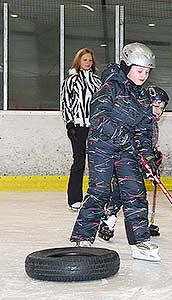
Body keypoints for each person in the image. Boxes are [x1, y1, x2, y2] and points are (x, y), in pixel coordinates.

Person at [70, 42, 161, 262]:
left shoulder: (143, 97)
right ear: (127, 66)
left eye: (147, 72)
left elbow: (143, 130)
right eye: (140, 71)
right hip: (102, 146)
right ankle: (83, 238)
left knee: (135, 191)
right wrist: (122, 137)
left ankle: (140, 242)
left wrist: (148, 158)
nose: (143, 76)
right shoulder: (111, 87)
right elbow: (98, 118)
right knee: (99, 191)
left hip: (126, 149)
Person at [98, 86, 169, 242]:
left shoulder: (152, 123)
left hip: (136, 163)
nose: (158, 110)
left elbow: (148, 142)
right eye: (155, 105)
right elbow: (132, 139)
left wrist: (153, 155)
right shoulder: (137, 119)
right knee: (120, 194)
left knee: (134, 194)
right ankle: (107, 220)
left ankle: (138, 225)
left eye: (161, 107)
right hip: (124, 161)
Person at [60, 48, 102, 211]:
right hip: (77, 126)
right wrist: (69, 123)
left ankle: (96, 197)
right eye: (85, 60)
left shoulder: (97, 82)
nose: (88, 63)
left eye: (90, 60)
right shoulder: (70, 81)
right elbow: (65, 103)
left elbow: (101, 103)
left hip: (94, 127)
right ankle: (74, 198)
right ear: (79, 61)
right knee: (79, 161)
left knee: (96, 162)